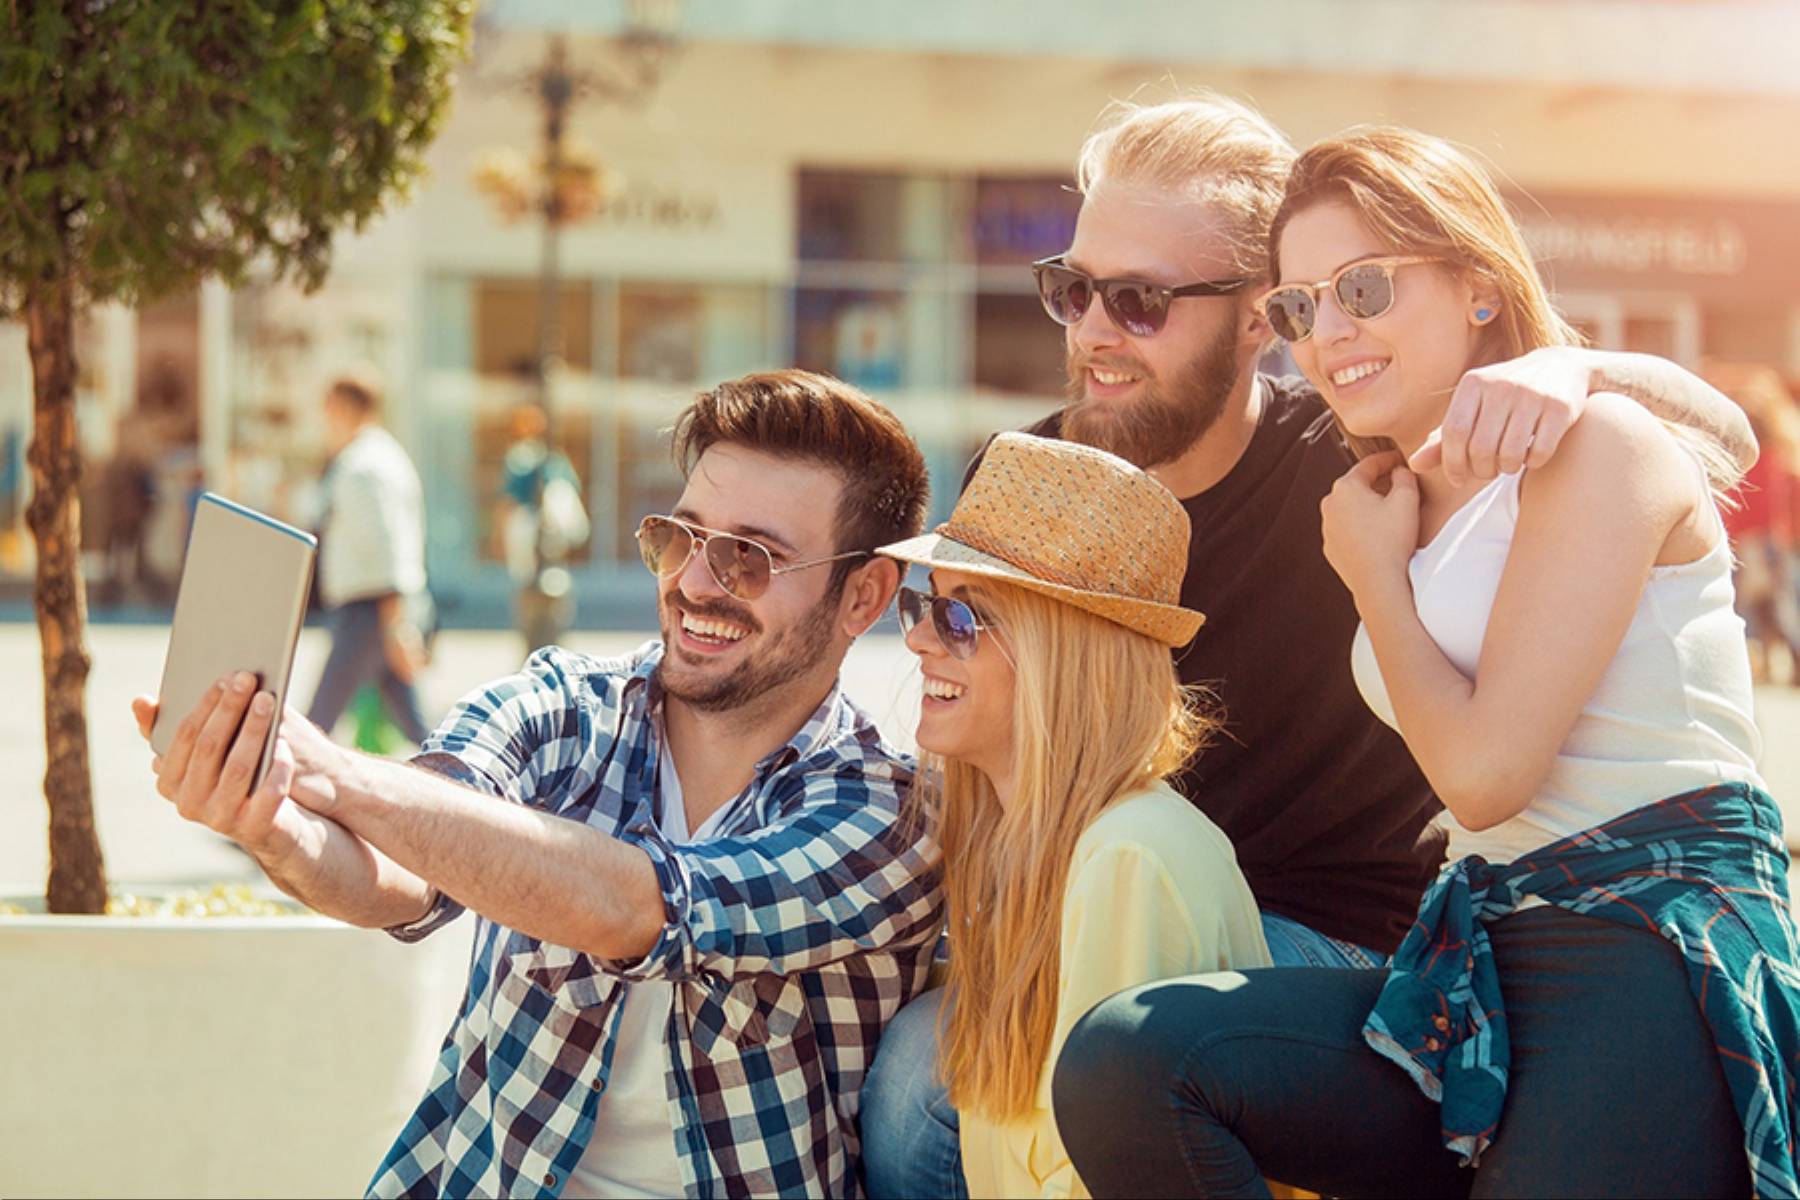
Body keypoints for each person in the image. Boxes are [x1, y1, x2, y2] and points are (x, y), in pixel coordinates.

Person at [859, 90, 1758, 1200]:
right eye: (1073, 290)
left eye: (1140, 300)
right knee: (933, 1080)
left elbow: (1724, 440)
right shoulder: (1061, 481)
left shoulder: (1352, 470)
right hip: (1435, 939)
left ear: (1246, 330)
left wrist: (1576, 367)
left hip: (1522, 926)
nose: (1092, 328)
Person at [132, 369, 942, 1198]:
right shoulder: (560, 706)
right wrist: (271, 819)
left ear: (865, 596)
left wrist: (331, 770)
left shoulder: (889, 814)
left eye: (750, 557)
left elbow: (642, 908)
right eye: (681, 537)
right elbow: (404, 877)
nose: (695, 583)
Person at [876, 431, 1270, 1199]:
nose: (921, 638)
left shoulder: (1129, 856)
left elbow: (1105, 1178)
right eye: (923, 605)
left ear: (1062, 654)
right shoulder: (1015, 841)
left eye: (963, 619)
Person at [303, 370, 434, 746]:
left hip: (370, 610)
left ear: (342, 408)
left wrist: (395, 624)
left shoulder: (363, 466)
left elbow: (386, 544)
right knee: (413, 723)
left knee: (317, 722)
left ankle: (278, 789)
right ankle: (464, 780)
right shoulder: (379, 456)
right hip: (380, 608)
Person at [1715, 363, 1800, 684]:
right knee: (1772, 606)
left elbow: (1752, 504)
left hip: (1758, 540)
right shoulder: (1779, 449)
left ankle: (1765, 661)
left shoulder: (1758, 454)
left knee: (1765, 606)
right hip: (1767, 540)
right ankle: (1776, 661)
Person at [498, 402, 588, 656]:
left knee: (532, 589)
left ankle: (539, 645)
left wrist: (501, 538)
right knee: (548, 588)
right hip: (548, 543)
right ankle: (549, 645)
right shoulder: (553, 459)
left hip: (529, 538)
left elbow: (509, 502)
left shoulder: (521, 458)